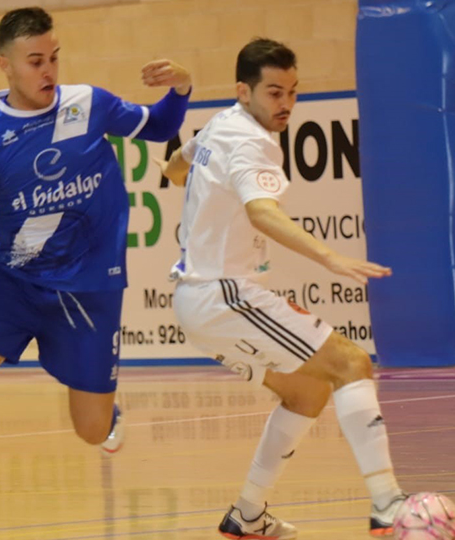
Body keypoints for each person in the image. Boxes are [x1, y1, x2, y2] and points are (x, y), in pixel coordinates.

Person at [0, 7, 192, 540]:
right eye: (34, 61)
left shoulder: (88, 104)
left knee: (91, 432)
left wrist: (182, 88)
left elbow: (161, 126)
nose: (47, 70)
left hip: (89, 289)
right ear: (4, 64)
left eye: (53, 58)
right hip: (14, 283)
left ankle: (107, 412)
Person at [158, 38, 409, 539]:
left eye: (293, 92)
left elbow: (174, 168)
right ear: (243, 91)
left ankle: (247, 514)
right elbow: (260, 211)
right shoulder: (253, 141)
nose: (286, 104)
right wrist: (330, 256)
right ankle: (388, 505)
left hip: (197, 301)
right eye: (274, 93)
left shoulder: (220, 124)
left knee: (307, 392)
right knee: (351, 363)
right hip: (222, 294)